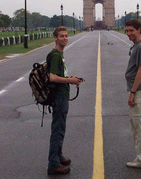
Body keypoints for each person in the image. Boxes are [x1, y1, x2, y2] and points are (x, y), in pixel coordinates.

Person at [47, 26, 81, 175]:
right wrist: (70, 80)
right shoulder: (55, 55)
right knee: (58, 129)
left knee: (60, 128)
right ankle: (53, 164)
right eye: (61, 36)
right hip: (59, 96)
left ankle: (58, 156)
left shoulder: (60, 54)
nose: (65, 38)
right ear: (55, 38)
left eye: (66, 36)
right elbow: (52, 77)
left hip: (62, 95)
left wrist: (71, 79)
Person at [125, 19, 141, 169]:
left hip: (138, 91)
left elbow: (140, 72)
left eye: (131, 30)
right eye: (127, 30)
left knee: (139, 126)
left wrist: (132, 92)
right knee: (137, 125)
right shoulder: (137, 46)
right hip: (139, 90)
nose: (128, 33)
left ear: (139, 30)